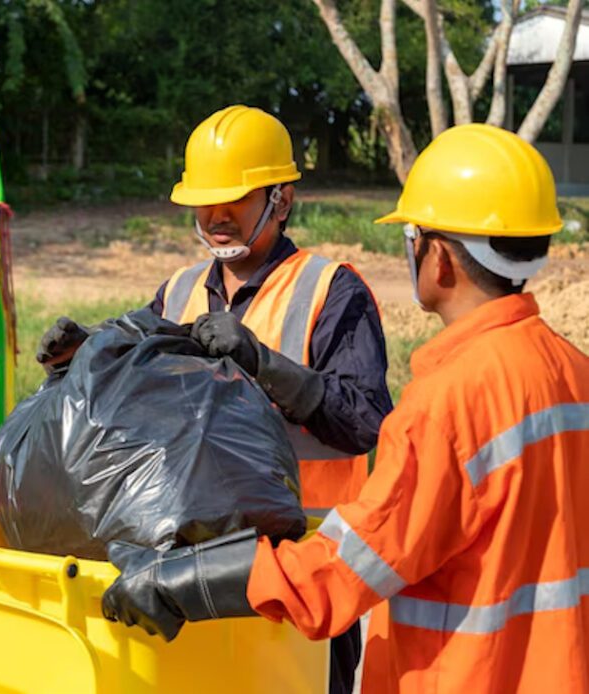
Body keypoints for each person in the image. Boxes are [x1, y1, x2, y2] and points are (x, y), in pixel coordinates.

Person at [101, 123, 589, 693]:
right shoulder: (573, 372)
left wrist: (183, 583)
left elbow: (344, 568)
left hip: (455, 673)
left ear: (439, 260)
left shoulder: (446, 401)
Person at [38, 105, 392, 693]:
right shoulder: (177, 292)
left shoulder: (331, 291)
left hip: (297, 578)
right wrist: (78, 357)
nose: (216, 217)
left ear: (281, 200)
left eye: (236, 201)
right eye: (205, 201)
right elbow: (125, 401)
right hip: (181, 578)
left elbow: (367, 422)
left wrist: (263, 362)